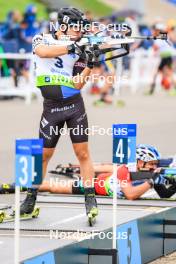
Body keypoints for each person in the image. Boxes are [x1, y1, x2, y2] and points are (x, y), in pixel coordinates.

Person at [19, 7, 99, 222]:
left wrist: (90, 63)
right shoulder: (41, 38)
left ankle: (90, 199)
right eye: (75, 28)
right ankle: (30, 200)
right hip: (51, 108)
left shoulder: (81, 47)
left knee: (82, 153)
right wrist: (71, 46)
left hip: (74, 106)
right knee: (44, 155)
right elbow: (43, 52)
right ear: (62, 26)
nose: (80, 32)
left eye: (81, 28)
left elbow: (77, 84)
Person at [19, 144, 176, 200]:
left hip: (110, 179)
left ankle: (80, 169)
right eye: (151, 164)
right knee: (54, 187)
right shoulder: (126, 171)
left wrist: (173, 186)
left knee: (110, 167)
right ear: (139, 162)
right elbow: (130, 195)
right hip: (97, 185)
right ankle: (21, 185)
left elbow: (164, 195)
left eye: (155, 164)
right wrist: (150, 182)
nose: (154, 167)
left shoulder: (149, 174)